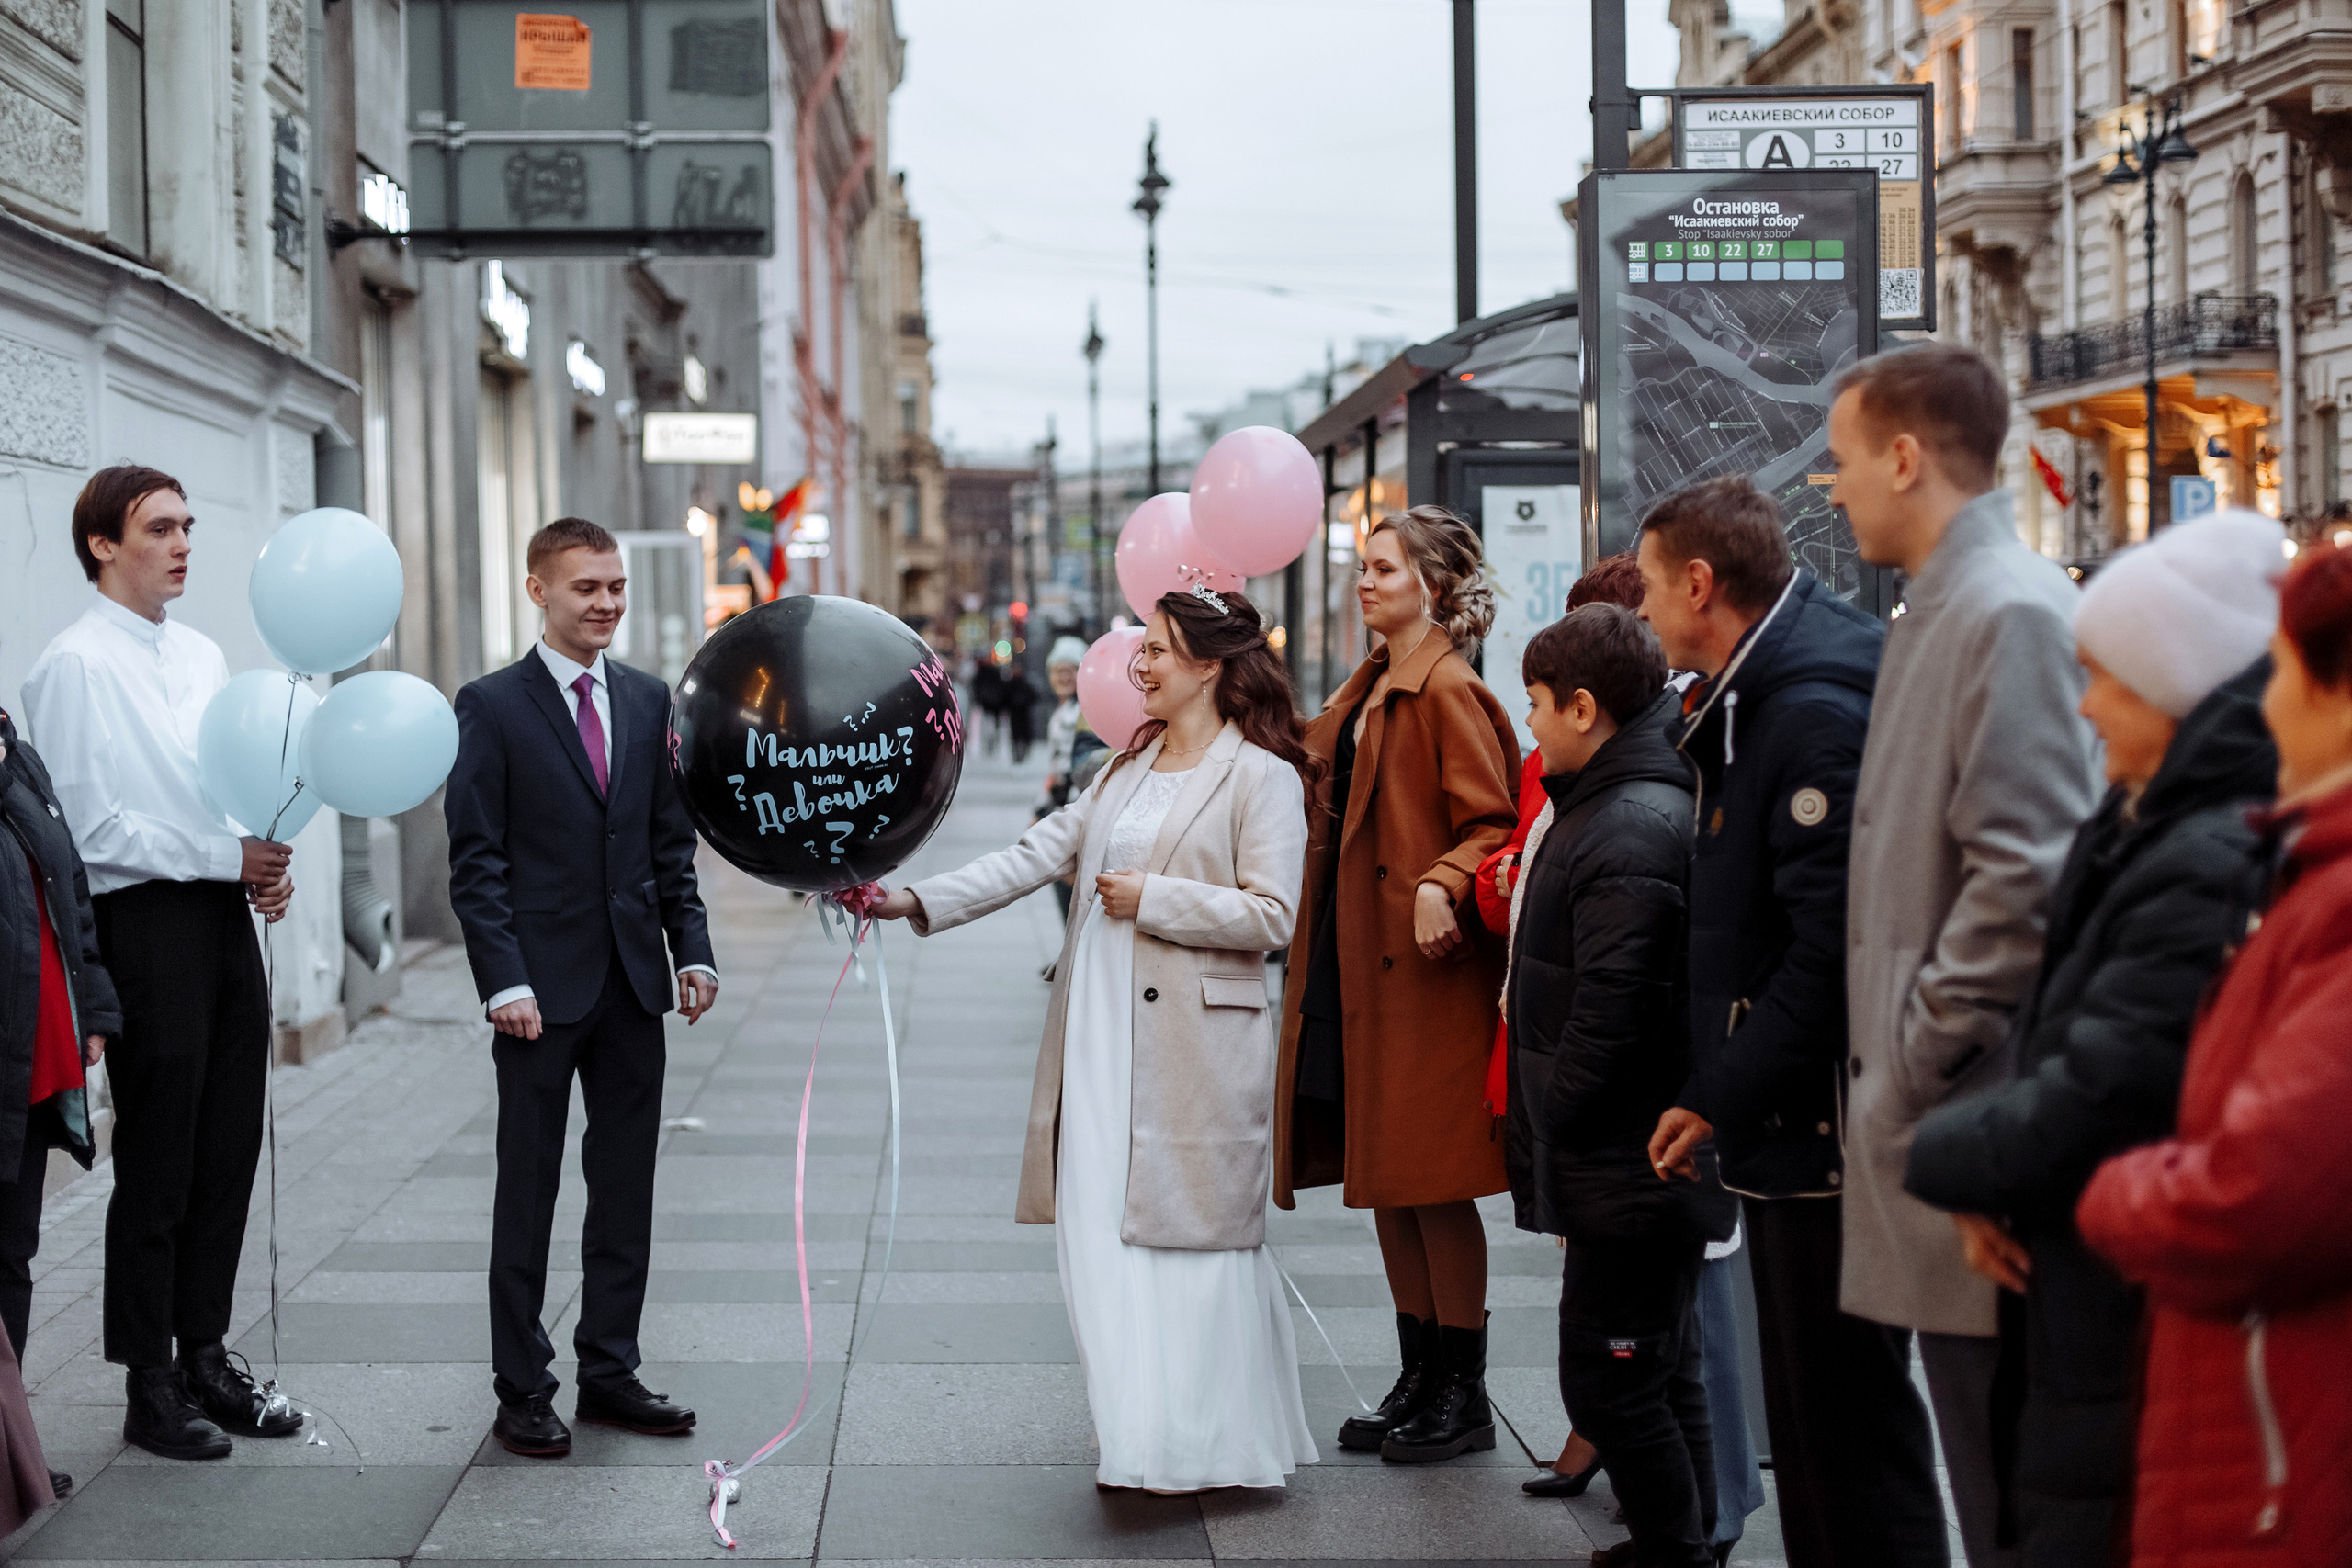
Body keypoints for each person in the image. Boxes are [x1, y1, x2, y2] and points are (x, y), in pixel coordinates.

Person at [874, 584, 1318, 1493]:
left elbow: (1273, 915)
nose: (1138, 666)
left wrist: (1155, 899)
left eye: (1155, 650)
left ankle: (1206, 1444)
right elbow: (1038, 851)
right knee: (1092, 1236)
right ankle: (1134, 1433)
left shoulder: (1261, 776)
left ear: (1208, 666)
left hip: (1195, 1051)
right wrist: (913, 898)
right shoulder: (1127, 764)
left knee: (1187, 1243)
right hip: (1098, 1031)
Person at [1905, 511, 2286, 1567]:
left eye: (2104, 678)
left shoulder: (2198, 853)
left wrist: (1941, 1156)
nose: (2082, 706)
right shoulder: (2139, 823)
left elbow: (2109, 1081)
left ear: (2169, 686)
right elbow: (2057, 1026)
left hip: (2119, 1286)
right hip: (2080, 1270)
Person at [1636, 476, 1944, 1568]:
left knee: (1845, 1418)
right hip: (1792, 1118)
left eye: (1649, 584)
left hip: (1822, 1131)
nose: (1643, 608)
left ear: (1701, 584)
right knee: (1815, 1419)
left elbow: (1827, 950)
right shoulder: (1755, 690)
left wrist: (1719, 1089)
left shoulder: (1802, 709)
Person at [1830, 344, 2100, 1568]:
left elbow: (2024, 875)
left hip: (1971, 1113)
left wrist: (1910, 1054)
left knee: (2002, 1487)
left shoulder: (2006, 608)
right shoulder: (1951, 600)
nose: (1834, 488)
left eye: (1843, 460)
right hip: (1941, 1109)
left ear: (1903, 455)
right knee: (1976, 1458)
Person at [1479, 550, 1767, 1553]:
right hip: (1628, 1153)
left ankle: (1674, 1549)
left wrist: (1554, 1113)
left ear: (1585, 708)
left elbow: (1616, 1001)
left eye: (1536, 702)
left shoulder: (1632, 821)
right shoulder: (1615, 796)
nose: (1529, 721)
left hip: (1626, 1154)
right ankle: (1679, 1546)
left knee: (1610, 1377)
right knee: (1659, 1367)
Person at [2075, 537, 2352, 1568]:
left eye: (2280, 675)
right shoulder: (2304, 870)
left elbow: (2253, 1195)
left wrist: (2112, 1194)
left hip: (2284, 1456)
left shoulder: (2333, 900)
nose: (2263, 704)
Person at [18, 465, 298, 1461]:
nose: (182, 544)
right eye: (159, 528)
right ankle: (149, 1379)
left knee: (230, 1143)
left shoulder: (203, 654)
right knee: (161, 1156)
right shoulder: (73, 665)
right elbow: (92, 831)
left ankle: (209, 1353)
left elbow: (222, 788)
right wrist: (225, 857)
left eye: (187, 526)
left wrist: (257, 864)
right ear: (102, 543)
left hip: (220, 918)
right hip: (142, 930)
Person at [445, 516, 719, 1458]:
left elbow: (666, 847)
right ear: (538, 590)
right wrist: (501, 980)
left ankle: (609, 1370)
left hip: (631, 985)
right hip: (536, 997)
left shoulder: (649, 702)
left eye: (614, 588)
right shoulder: (490, 705)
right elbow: (475, 863)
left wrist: (694, 952)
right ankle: (521, 1386)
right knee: (525, 1192)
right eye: (584, 589)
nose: (604, 604)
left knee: (624, 1186)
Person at [1274, 505, 1521, 1464]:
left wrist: (1439, 881)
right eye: (1362, 567)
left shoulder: (1446, 689)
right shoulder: (1373, 682)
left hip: (1423, 979)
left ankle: (1460, 1390)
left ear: (1434, 584)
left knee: (1432, 1184)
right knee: (1387, 1182)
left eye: (1382, 568)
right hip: (1362, 969)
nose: (1363, 581)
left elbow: (1491, 825)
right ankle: (1420, 1375)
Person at [0, 704, 119, 1502]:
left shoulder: (18, 755)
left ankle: (12, 1455)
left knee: (11, 1257)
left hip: (35, 1065)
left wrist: (96, 1008)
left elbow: (70, 886)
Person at [1037, 637, 1105, 924]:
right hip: (1064, 803)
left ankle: (1073, 949)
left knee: (1068, 877)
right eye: (1057, 670)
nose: (1063, 677)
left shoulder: (1082, 711)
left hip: (1076, 805)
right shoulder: (1064, 710)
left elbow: (1072, 767)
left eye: (1070, 670)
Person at [1003, 663, 1039, 764]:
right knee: (1017, 736)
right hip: (1016, 716)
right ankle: (1018, 755)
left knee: (1022, 735)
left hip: (1022, 715)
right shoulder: (1011, 684)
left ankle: (1021, 754)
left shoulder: (1023, 683)